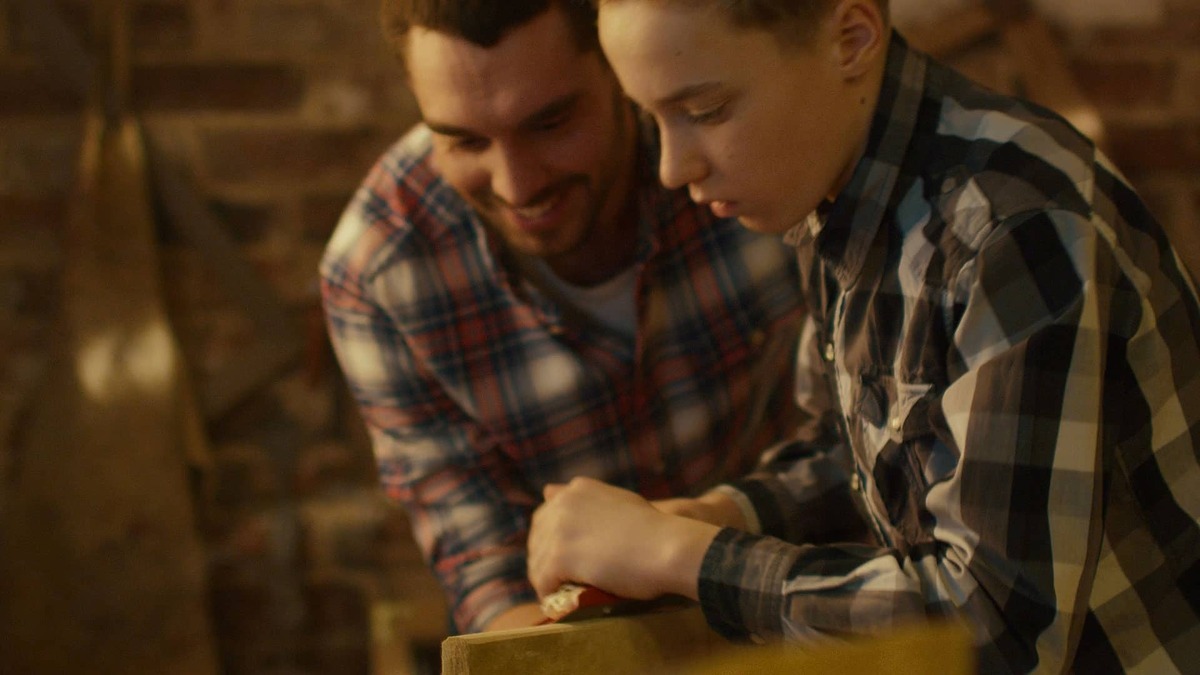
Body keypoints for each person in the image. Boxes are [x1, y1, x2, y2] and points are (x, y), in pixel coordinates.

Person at [527, 0, 1200, 671]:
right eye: (651, 117)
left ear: (851, 39)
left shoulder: (1011, 227)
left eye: (705, 111)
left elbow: (997, 635)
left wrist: (680, 557)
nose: (673, 169)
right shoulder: (833, 174)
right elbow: (862, 454)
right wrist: (723, 515)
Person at [319, 0, 807, 634]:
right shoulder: (379, 272)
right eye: (465, 140)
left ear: (617, 64)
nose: (516, 186)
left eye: (551, 123)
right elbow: (487, 572)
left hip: (812, 605)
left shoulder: (748, 159)